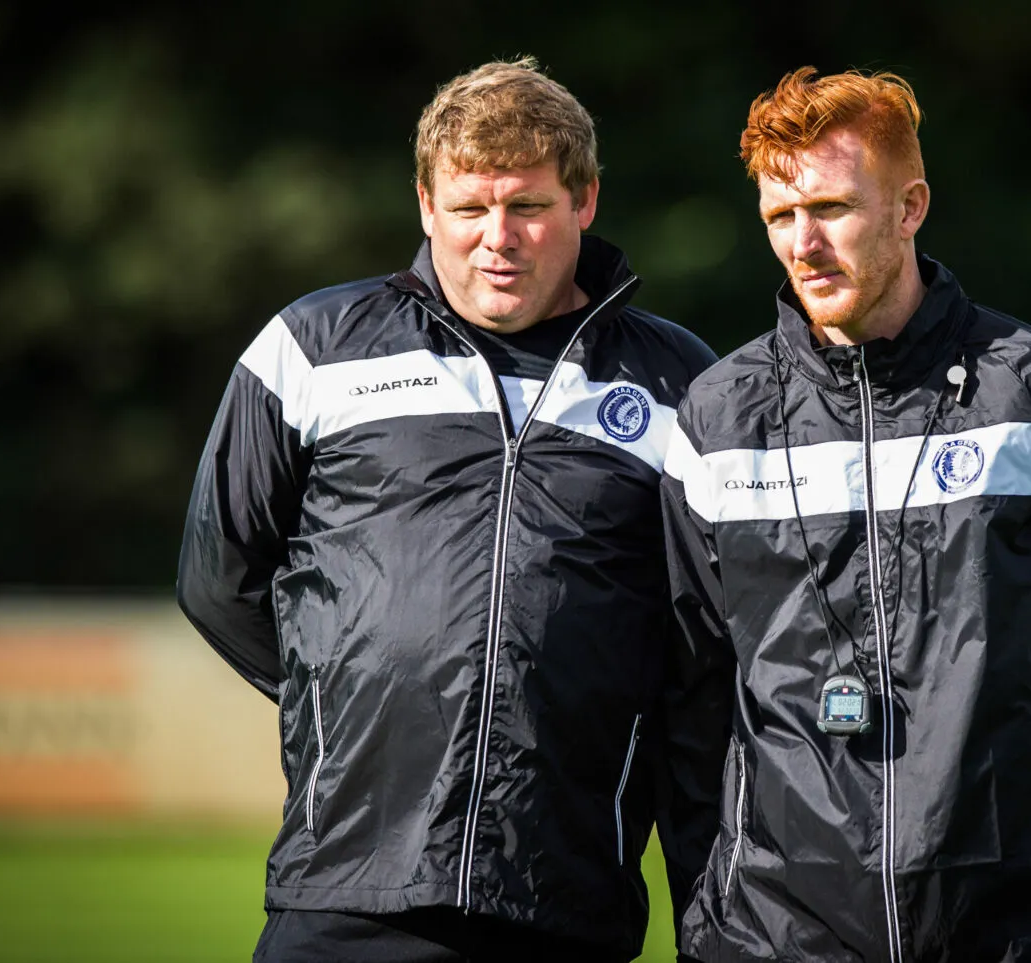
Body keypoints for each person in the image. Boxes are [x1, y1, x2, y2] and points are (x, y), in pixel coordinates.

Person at [177, 58, 721, 962]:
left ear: (585, 200)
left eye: (529, 206)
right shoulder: (311, 348)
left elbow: (706, 641)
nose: (496, 238)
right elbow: (218, 577)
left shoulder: (684, 386)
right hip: (345, 884)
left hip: (566, 893)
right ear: (427, 205)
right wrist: (344, 688)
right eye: (469, 207)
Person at [661, 67, 1031, 963]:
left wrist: (993, 772)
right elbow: (692, 679)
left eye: (831, 207)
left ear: (909, 207)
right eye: (781, 215)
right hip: (776, 932)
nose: (804, 243)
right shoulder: (714, 419)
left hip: (1010, 924)